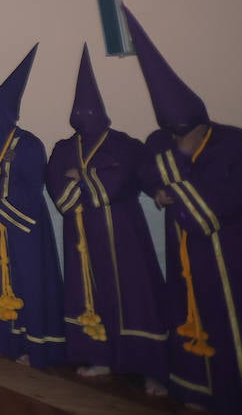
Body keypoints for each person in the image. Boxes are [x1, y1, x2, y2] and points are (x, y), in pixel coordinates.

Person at [125, 7, 242, 413]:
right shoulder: (163, 142)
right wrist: (163, 188)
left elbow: (225, 201)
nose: (182, 142)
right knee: (184, 311)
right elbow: (147, 173)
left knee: (229, 320)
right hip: (183, 250)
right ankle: (193, 387)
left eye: (187, 134)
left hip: (227, 251)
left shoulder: (233, 142)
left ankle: (231, 393)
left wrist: (176, 189)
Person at [46, 45, 167, 394]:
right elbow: (56, 182)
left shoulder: (124, 144)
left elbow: (124, 178)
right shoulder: (63, 148)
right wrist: (94, 177)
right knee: (90, 297)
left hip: (122, 235)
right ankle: (99, 357)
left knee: (135, 296)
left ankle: (151, 369)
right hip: (82, 238)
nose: (82, 115)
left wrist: (82, 178)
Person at [0, 44, 66, 368]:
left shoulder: (29, 144)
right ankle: (3, 341)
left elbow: (30, 186)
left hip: (22, 231)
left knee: (29, 283)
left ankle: (32, 346)